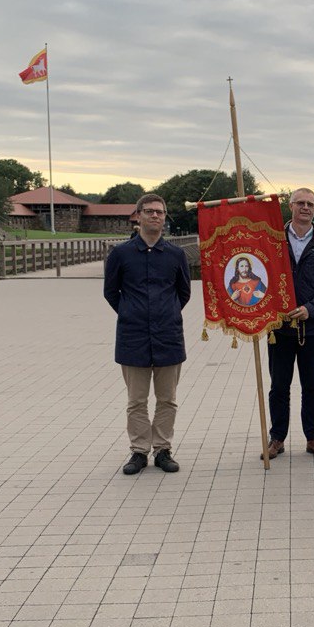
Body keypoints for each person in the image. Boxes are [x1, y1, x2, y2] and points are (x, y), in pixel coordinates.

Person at [104, 193, 191, 475]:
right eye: (149, 211)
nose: (155, 216)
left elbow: (184, 292)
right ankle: (139, 451)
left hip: (168, 337)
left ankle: (163, 449)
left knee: (167, 399)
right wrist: (132, 312)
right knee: (136, 401)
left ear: (165, 218)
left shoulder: (176, 255)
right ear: (138, 215)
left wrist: (165, 313)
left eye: (160, 212)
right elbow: (111, 292)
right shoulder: (121, 254)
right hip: (133, 337)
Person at [263, 187, 314, 460]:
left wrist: (311, 308)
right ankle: (276, 438)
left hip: (313, 328)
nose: (305, 207)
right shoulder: (273, 240)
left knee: (312, 385)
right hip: (279, 328)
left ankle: (313, 438)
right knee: (278, 387)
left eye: (310, 204)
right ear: (291, 206)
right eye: (300, 203)